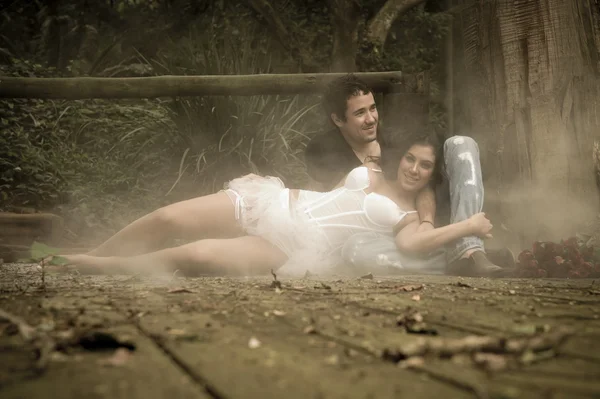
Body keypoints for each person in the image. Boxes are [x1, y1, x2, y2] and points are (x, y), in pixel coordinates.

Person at [50, 128, 493, 277]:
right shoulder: (375, 169)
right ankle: (93, 252)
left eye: (425, 167)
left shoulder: (413, 217)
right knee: (168, 217)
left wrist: (470, 226)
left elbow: (418, 244)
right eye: (411, 159)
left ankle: (91, 266)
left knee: (194, 255)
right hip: (273, 201)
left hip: (293, 246)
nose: (414, 169)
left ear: (435, 177)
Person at [304, 74, 512, 277]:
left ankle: (469, 247)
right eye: (360, 113)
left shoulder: (393, 138)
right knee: (355, 249)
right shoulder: (323, 151)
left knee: (461, 144)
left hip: (429, 223)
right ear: (338, 119)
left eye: (373, 108)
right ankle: (461, 259)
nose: (371, 119)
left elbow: (423, 181)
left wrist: (427, 222)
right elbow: (331, 202)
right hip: (393, 235)